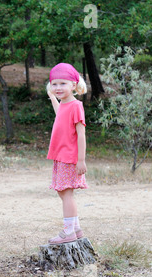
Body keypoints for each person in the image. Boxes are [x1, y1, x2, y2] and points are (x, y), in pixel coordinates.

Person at [46, 63, 88, 244]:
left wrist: (81, 160)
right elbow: (60, 115)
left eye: (63, 83)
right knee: (62, 192)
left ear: (74, 85)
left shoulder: (76, 106)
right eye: (54, 84)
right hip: (60, 156)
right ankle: (76, 228)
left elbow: (81, 134)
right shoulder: (64, 105)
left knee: (66, 193)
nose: (58, 88)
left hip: (70, 158)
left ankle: (68, 231)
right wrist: (52, 98)